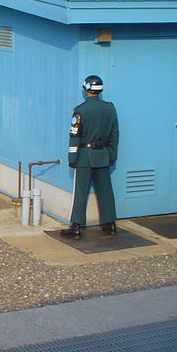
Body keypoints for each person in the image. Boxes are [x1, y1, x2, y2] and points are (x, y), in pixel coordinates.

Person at [62, 75, 119, 238]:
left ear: (87, 90)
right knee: (106, 191)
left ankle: (76, 226)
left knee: (81, 192)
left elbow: (75, 136)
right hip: (103, 155)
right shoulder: (110, 108)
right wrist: (112, 155)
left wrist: (72, 158)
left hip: (85, 157)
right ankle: (110, 223)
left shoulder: (80, 110)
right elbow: (115, 134)